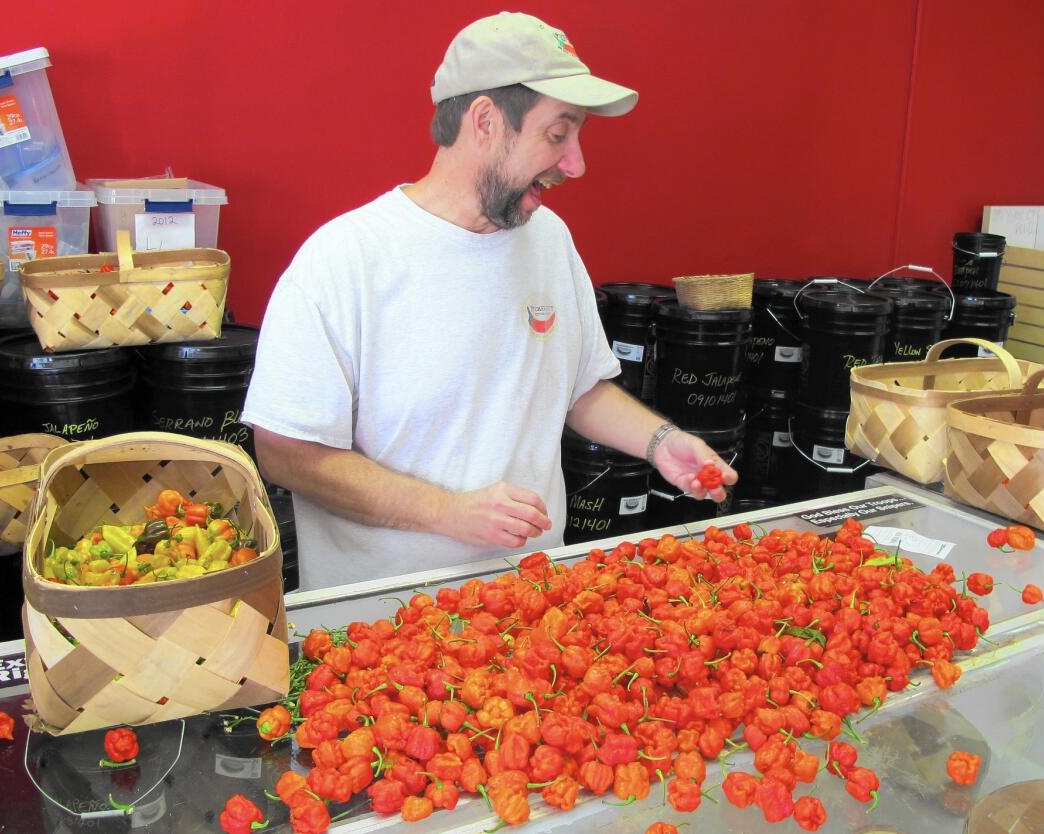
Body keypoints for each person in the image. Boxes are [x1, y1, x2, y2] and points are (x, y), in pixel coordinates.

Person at [243, 11, 738, 590]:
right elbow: (284, 453)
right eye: (558, 133)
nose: (576, 164)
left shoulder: (549, 240)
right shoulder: (344, 260)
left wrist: (661, 444)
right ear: (485, 121)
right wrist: (447, 512)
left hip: (528, 605)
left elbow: (578, 389)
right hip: (377, 628)